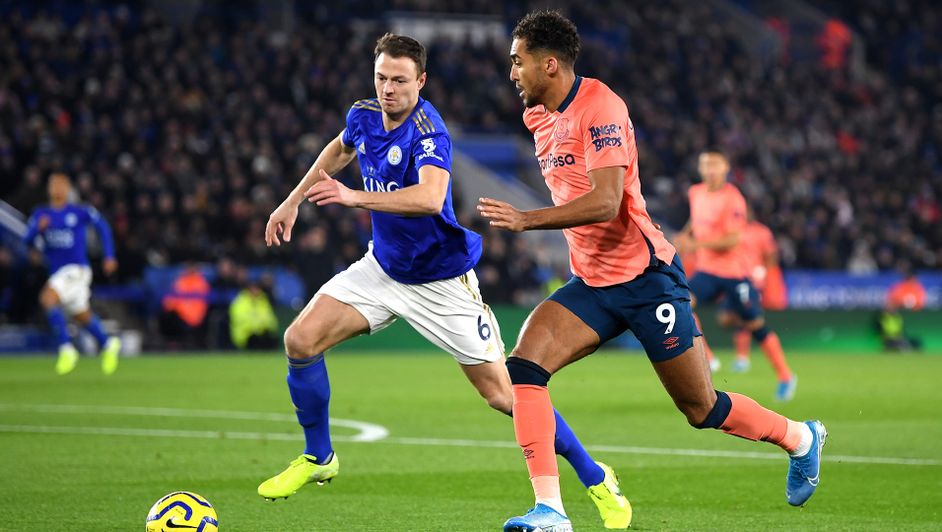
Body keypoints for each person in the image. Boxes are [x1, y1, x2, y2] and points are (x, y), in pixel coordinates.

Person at [258, 33, 631, 528]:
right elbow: (339, 149)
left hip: (441, 282)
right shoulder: (364, 114)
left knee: (506, 396)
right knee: (300, 340)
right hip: (383, 269)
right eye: (381, 78)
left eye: (399, 80)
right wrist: (292, 201)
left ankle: (595, 476)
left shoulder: (429, 130)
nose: (388, 89)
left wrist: (352, 198)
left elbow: (430, 199)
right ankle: (319, 457)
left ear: (422, 81)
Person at [477, 11, 825, 531]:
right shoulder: (537, 117)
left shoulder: (602, 107)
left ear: (549, 65)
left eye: (517, 61)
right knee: (524, 368)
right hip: (592, 284)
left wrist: (528, 219)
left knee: (701, 408)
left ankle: (799, 437)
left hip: (646, 278)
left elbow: (606, 201)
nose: (511, 73)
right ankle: (550, 510)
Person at [675, 151, 796, 401]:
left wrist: (695, 245)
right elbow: (696, 219)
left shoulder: (733, 198)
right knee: (681, 303)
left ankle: (785, 375)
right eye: (706, 165)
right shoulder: (696, 192)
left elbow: (732, 240)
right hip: (707, 270)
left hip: (735, 273)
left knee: (754, 324)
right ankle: (707, 357)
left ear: (726, 168)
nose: (710, 170)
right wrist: (685, 234)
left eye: (715, 165)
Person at [22, 173, 122, 375]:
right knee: (81, 315)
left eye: (61, 185)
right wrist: (37, 230)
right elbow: (26, 240)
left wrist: (109, 255)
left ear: (68, 189)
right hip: (57, 272)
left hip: (76, 269)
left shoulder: (78, 212)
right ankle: (108, 343)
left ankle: (67, 349)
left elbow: (102, 226)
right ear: (49, 189)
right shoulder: (41, 214)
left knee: (47, 298)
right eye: (54, 185)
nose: (57, 189)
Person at [730, 209, 789, 372]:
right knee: (738, 316)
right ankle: (743, 357)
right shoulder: (732, 230)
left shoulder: (762, 232)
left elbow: (771, 254)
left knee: (747, 315)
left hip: (754, 280)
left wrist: (763, 271)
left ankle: (743, 358)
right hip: (736, 278)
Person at [229, 277, 279, 349]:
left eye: (257, 288)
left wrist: (267, 329)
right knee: (255, 340)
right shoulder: (240, 301)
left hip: (261, 334)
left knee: (272, 340)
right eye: (253, 288)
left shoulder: (263, 300)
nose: (255, 290)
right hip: (245, 335)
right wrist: (258, 326)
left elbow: (270, 318)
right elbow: (240, 318)